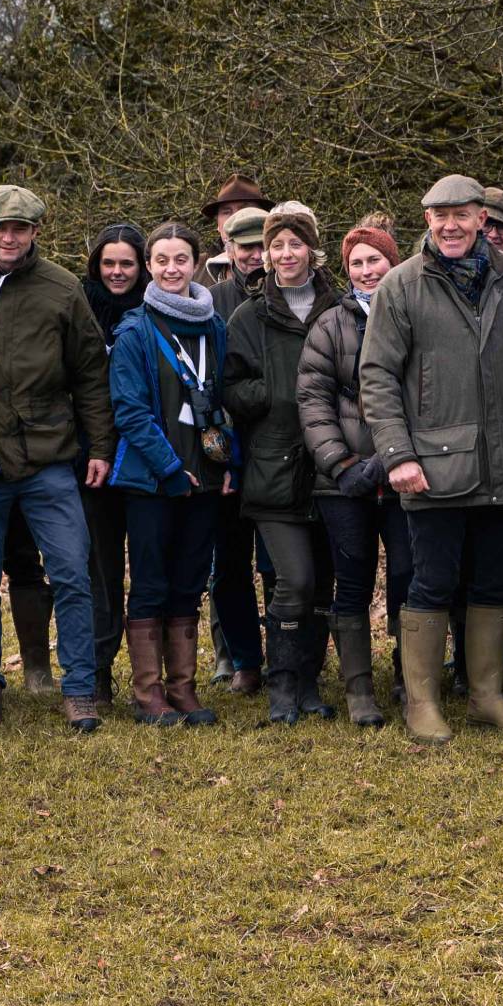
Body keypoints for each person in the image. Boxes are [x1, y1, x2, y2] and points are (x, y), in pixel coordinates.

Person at [359, 173, 503, 743]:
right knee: (431, 583)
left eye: (462, 215)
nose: (451, 225)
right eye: (439, 216)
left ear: (480, 220)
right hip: (430, 468)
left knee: (497, 584)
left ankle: (487, 697)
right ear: (427, 221)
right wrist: (396, 454)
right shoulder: (401, 285)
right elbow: (376, 376)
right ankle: (423, 703)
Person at [0, 184, 116, 731]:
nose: (8, 237)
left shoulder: (62, 289)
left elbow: (89, 374)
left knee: (72, 573)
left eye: (20, 228)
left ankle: (79, 687)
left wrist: (100, 446)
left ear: (36, 231)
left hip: (48, 459)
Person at [107, 221, 237, 727]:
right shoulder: (136, 330)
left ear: (196, 262)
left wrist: (228, 463)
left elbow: (222, 402)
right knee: (151, 581)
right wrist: (170, 469)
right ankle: (149, 694)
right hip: (153, 481)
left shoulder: (214, 327)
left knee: (188, 581)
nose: (170, 269)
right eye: (160, 260)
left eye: (180, 259)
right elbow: (130, 411)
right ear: (148, 266)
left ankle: (183, 689)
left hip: (204, 478)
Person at [222, 201, 339, 723]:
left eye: (295, 243)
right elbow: (228, 385)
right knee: (293, 577)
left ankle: (310, 682)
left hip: (333, 462)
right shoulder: (250, 315)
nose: (286, 253)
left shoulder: (337, 307)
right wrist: (276, 393)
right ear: (265, 254)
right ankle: (282, 685)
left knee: (323, 580)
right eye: (276, 245)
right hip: (273, 464)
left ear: (312, 249)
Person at [299, 217, 411, 727]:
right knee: (353, 581)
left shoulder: (416, 313)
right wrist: (341, 464)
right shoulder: (329, 324)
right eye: (357, 263)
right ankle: (359, 689)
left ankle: (413, 680)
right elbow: (313, 399)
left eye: (376, 260)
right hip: (343, 482)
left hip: (408, 474)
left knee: (413, 576)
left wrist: (396, 458)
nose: (367, 271)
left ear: (394, 262)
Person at [203, 199, 275, 692]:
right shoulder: (208, 304)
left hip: (277, 453)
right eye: (244, 247)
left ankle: (289, 658)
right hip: (225, 455)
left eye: (260, 248)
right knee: (228, 567)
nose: (253, 256)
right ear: (226, 248)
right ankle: (245, 660)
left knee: (277, 567)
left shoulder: (290, 299)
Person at [79, 223, 148, 704]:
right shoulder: (77, 308)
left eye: (127, 263)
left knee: (147, 566)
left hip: (146, 456)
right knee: (98, 570)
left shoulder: (160, 309)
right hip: (92, 460)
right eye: (109, 263)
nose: (117, 272)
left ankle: (151, 674)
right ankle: (98, 671)